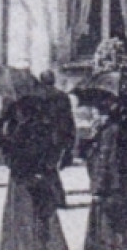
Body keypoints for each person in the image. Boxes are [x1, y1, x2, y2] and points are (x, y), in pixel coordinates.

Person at [0, 94, 70, 249]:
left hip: (23, 181)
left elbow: (12, 158)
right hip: (41, 178)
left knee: (23, 221)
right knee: (45, 221)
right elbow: (54, 150)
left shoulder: (19, 130)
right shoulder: (45, 126)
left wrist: (4, 140)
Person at [81, 94, 127, 249]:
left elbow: (104, 161)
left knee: (107, 236)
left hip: (110, 190)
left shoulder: (110, 131)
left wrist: (98, 188)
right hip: (126, 190)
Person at [39, 71, 77, 209]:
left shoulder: (39, 96)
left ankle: (58, 198)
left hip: (45, 137)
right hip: (60, 137)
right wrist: (70, 140)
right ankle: (56, 198)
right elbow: (69, 119)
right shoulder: (62, 96)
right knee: (51, 167)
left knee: (48, 168)